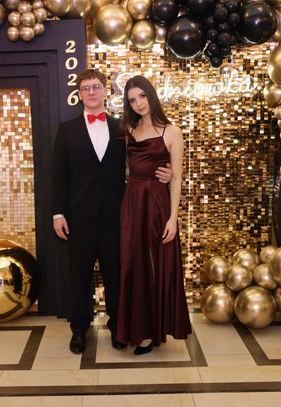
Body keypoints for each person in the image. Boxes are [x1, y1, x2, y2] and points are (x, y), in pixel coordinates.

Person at [52, 69, 172, 354]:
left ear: (105, 91)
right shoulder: (66, 130)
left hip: (117, 215)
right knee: (79, 275)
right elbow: (58, 175)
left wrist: (164, 174)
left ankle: (119, 326)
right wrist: (58, 213)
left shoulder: (123, 128)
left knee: (116, 274)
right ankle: (79, 329)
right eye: (86, 88)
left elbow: (142, 159)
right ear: (79, 94)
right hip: (78, 217)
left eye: (96, 86)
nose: (91, 92)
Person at [116, 75, 192, 355]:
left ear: (151, 95)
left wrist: (173, 218)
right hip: (132, 203)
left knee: (155, 266)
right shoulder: (128, 130)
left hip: (158, 205)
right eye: (132, 100)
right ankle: (136, 329)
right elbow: (125, 169)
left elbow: (177, 178)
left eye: (142, 96)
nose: (138, 103)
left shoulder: (172, 132)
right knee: (132, 265)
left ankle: (152, 330)